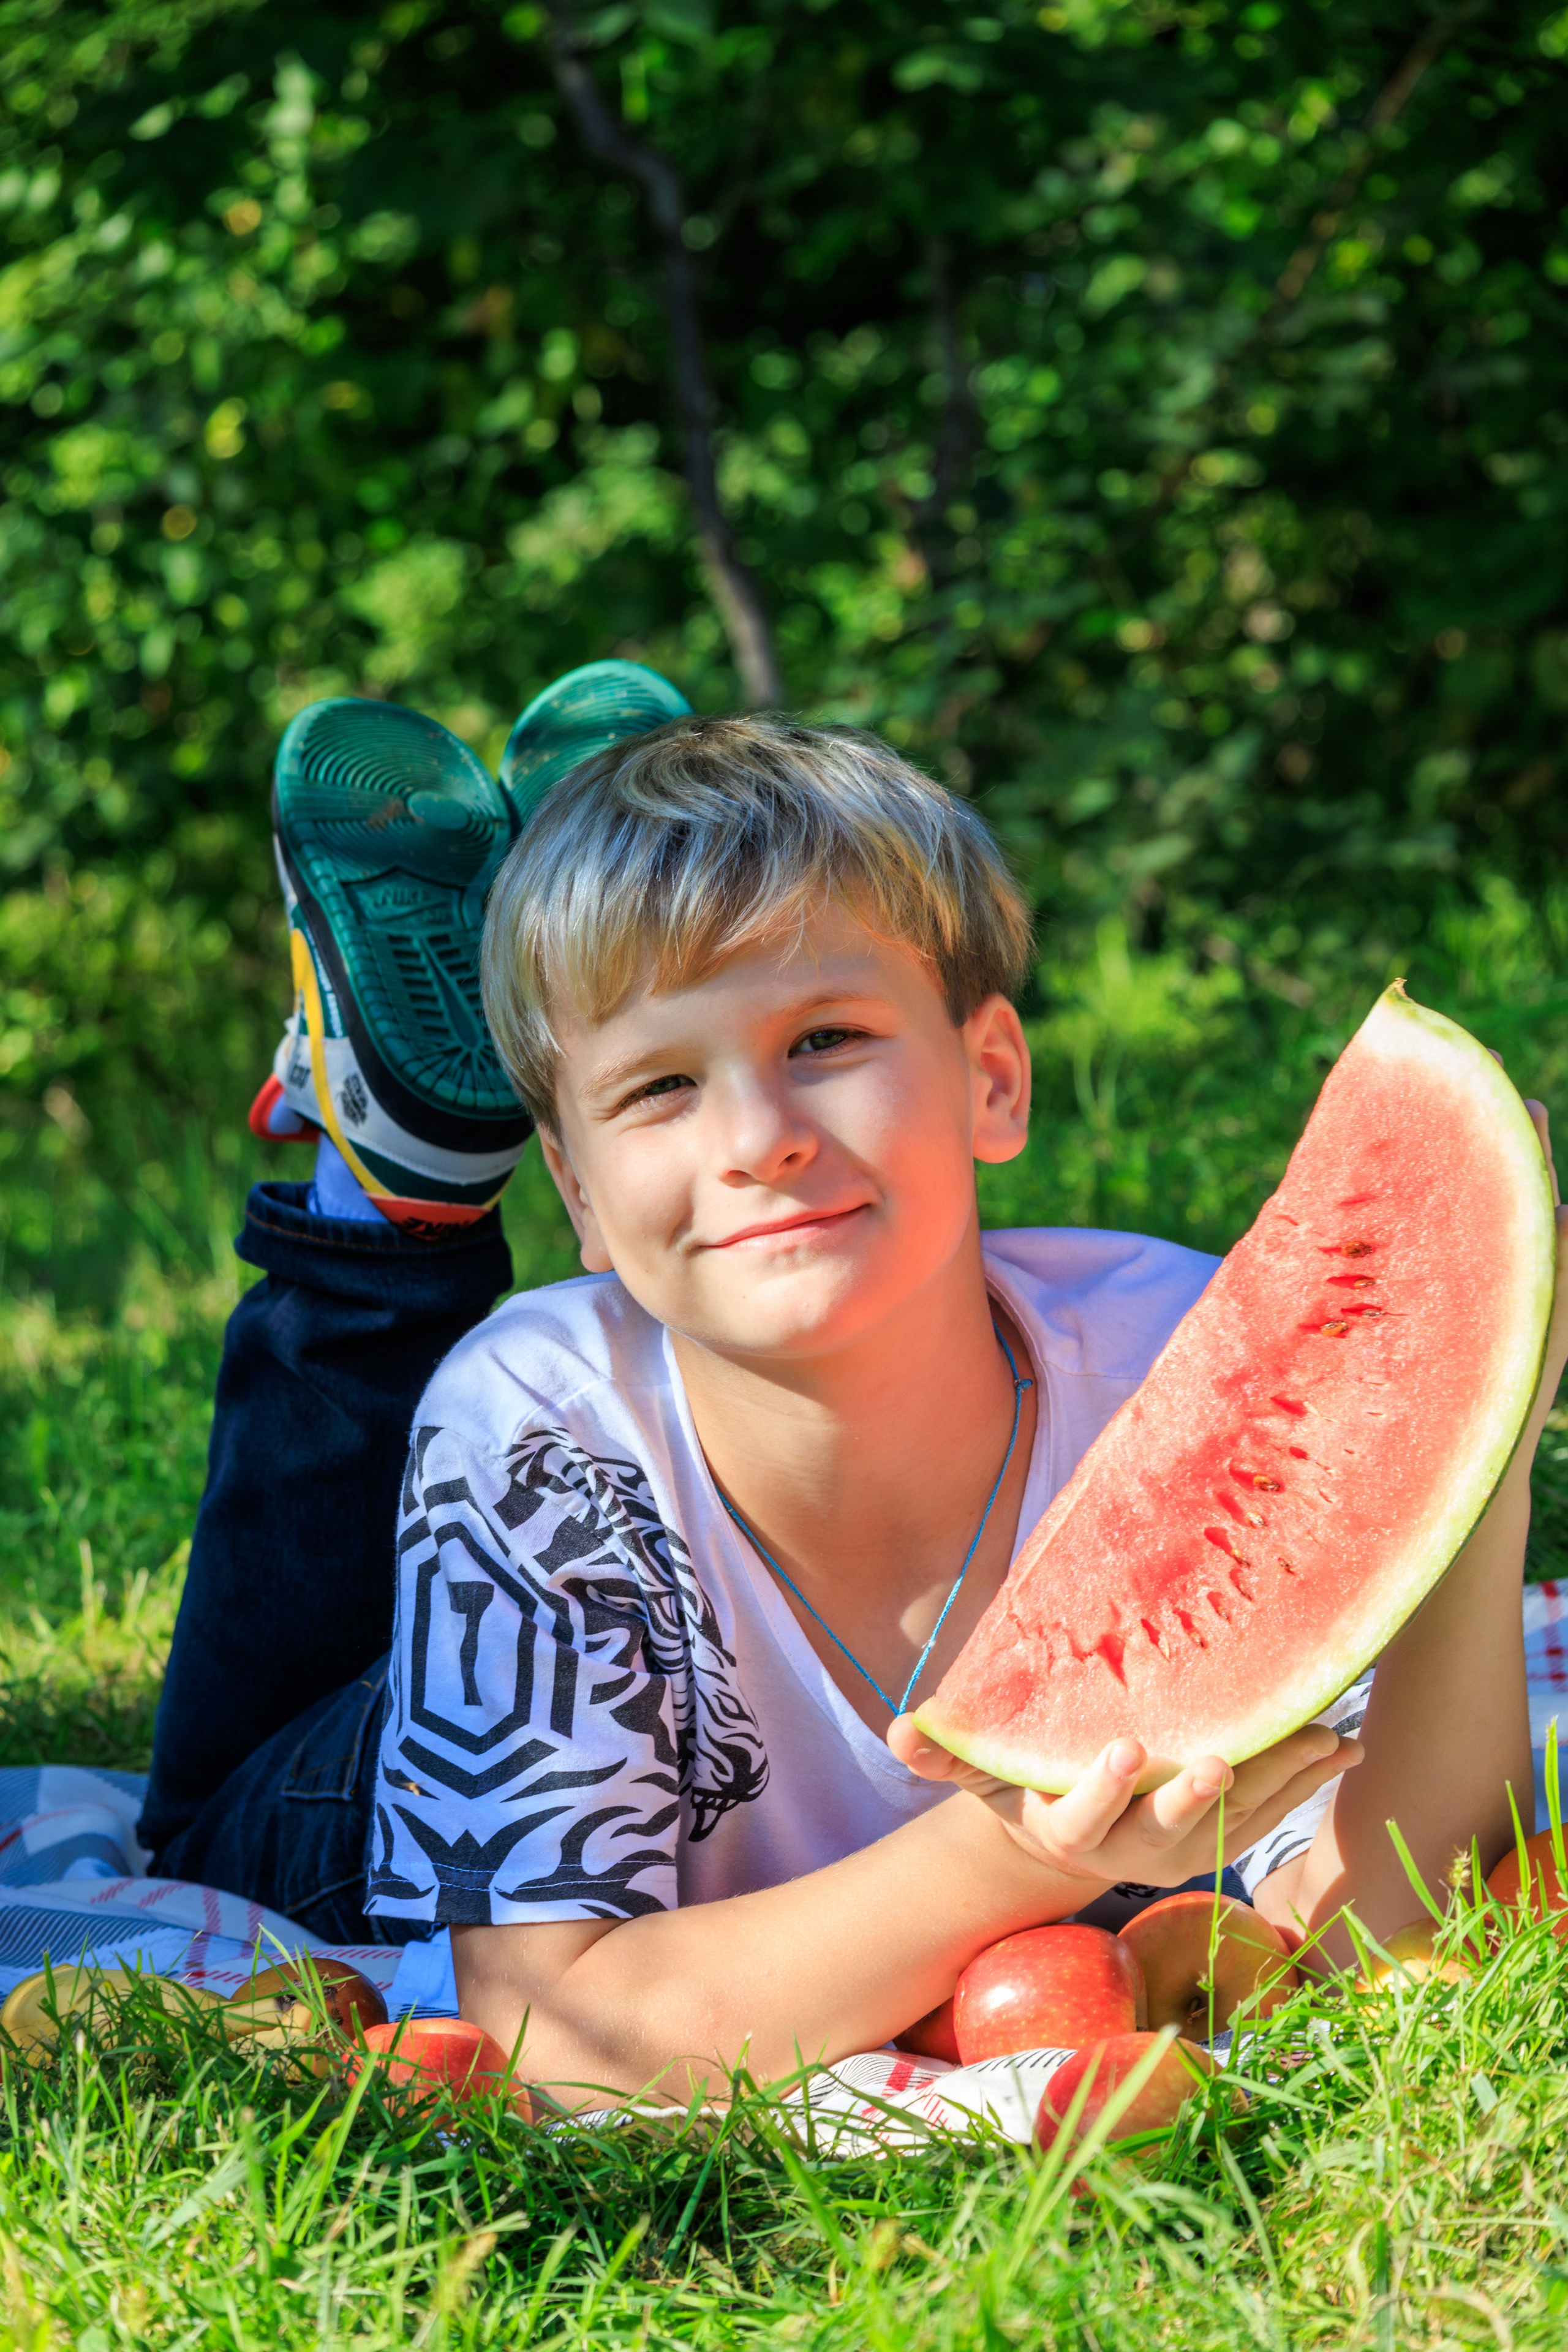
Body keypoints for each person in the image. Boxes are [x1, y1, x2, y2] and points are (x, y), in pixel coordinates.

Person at [140, 661, 1568, 2112]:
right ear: (573, 1193)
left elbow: (1394, 1912)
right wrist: (1020, 1854)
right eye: (660, 1085)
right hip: (434, 1745)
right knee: (195, 1825)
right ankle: (400, 1186)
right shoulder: (542, 1433)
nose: (757, 1136)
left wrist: (1480, 1435)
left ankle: (607, 908)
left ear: (990, 1079)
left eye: (822, 1040)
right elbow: (555, 2034)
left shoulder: (1173, 1358)